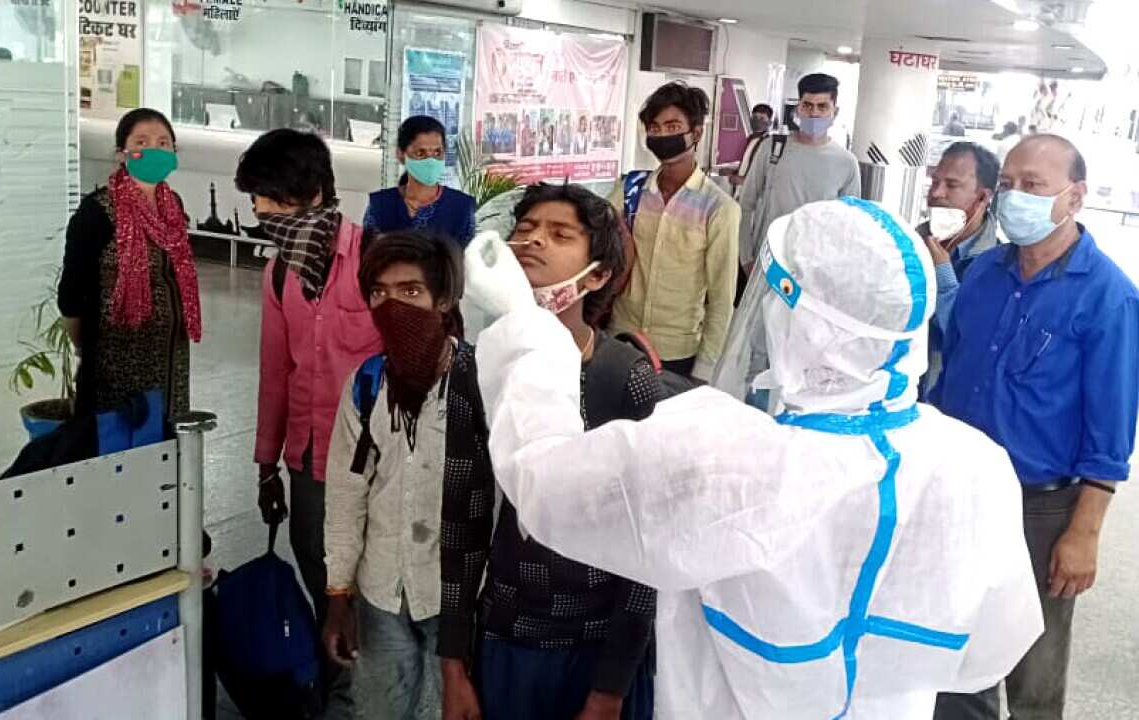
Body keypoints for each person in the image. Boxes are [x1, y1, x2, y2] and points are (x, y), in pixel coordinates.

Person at [464, 197, 1042, 718]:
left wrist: (522, 325)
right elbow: (989, 652)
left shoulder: (735, 460)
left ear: (804, 319)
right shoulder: (974, 463)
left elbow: (546, 481)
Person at [930, 135, 1139, 720]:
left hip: (1041, 510)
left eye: (1035, 186)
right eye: (1009, 184)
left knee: (1033, 672)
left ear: (1075, 197)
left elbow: (1110, 431)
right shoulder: (980, 275)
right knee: (955, 657)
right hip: (963, 495)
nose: (1015, 196)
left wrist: (1085, 533)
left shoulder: (1108, 297)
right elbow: (948, 381)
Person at [439, 183, 661, 720]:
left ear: (599, 275)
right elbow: (462, 515)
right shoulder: (480, 366)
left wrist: (609, 690)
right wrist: (453, 663)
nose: (532, 242)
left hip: (597, 645)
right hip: (509, 632)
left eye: (560, 235)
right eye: (523, 230)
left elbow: (646, 552)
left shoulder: (623, 381)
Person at [241, 128, 382, 719]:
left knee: (370, 584)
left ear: (315, 193)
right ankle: (335, 683)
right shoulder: (280, 274)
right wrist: (266, 465)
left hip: (373, 465)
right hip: (307, 461)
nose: (262, 213)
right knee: (320, 572)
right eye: (257, 201)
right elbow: (276, 371)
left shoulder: (376, 259)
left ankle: (365, 693)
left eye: (274, 199)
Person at [323, 231, 466, 720]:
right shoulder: (366, 385)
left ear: (442, 300)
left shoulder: (478, 385)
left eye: (410, 291)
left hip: (456, 598)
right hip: (382, 591)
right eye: (379, 293)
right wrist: (338, 595)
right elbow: (346, 493)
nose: (392, 304)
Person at [59, 108, 201, 421]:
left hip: (170, 361)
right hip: (115, 366)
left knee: (165, 447)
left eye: (164, 143)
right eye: (142, 141)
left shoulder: (173, 206)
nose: (154, 149)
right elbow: (71, 295)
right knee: (122, 451)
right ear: (122, 154)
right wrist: (88, 347)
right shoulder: (97, 211)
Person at [609, 81, 740, 380]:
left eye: (672, 126)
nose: (662, 135)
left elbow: (721, 296)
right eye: (654, 128)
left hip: (677, 353)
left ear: (696, 133)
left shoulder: (719, 208)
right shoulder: (630, 190)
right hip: (619, 338)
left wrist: (705, 369)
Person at [737, 73, 861, 272]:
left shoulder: (846, 163)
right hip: (768, 263)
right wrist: (746, 257)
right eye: (808, 105)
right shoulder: (772, 148)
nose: (814, 114)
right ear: (798, 108)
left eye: (822, 107)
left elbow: (847, 227)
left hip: (815, 271)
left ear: (835, 112)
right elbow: (745, 203)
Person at [915, 142, 1001, 395]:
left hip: (946, 403)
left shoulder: (997, 264)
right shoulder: (912, 242)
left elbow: (971, 338)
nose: (937, 193)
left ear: (983, 197)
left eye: (951, 185)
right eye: (935, 182)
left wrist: (943, 273)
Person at [364, 116, 477, 249]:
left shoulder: (461, 208)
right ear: (401, 155)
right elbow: (367, 259)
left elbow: (470, 263)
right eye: (420, 153)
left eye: (437, 152)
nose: (431, 161)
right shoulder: (380, 205)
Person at [724, 103, 774, 195]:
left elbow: (767, 175)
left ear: (770, 123)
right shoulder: (750, 139)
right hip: (739, 192)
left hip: (753, 197)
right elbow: (748, 165)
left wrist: (744, 180)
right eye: (755, 117)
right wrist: (735, 172)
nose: (757, 121)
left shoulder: (768, 145)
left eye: (762, 118)